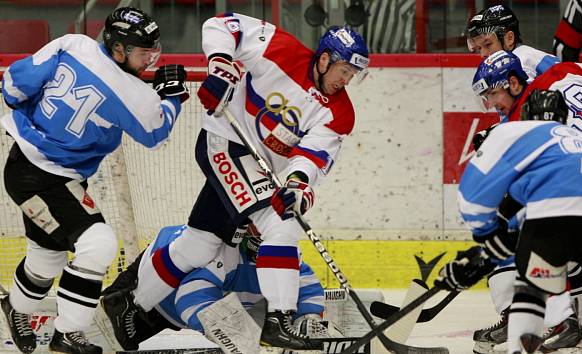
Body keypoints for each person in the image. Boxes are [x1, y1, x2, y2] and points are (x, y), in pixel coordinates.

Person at [100, 12, 369, 352]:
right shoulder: (281, 48)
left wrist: (298, 185)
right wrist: (221, 65)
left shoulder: (340, 113)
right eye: (345, 71)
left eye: (353, 75)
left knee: (199, 244)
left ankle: (130, 303)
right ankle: (280, 319)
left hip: (257, 167)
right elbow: (222, 25)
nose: (346, 80)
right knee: (280, 225)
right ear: (326, 59)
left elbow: (312, 156)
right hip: (225, 142)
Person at [0, 7, 188, 354]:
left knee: (47, 258)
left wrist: (17, 103)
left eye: (152, 49)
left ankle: (15, 307)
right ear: (118, 49)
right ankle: (68, 333)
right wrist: (172, 98)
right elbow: (156, 134)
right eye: (142, 51)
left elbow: (14, 83)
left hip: (27, 168)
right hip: (45, 178)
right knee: (98, 243)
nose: (150, 58)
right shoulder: (132, 92)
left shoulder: (72, 44)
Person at [435, 88, 582, 354]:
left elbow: (473, 200)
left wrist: (483, 243)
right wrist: (488, 252)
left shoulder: (515, 132)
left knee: (531, 297)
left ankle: (543, 330)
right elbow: (519, 213)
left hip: (556, 223)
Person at [464, 6, 580, 353]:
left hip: (569, 157)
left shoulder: (524, 60)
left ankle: (542, 313)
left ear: (509, 38)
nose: (483, 55)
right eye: (478, 49)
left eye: (487, 45)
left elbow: (545, 113)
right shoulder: (517, 67)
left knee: (514, 219)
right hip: (575, 154)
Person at [99, 223, 329, 351]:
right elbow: (190, 297)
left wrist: (309, 316)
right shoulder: (226, 252)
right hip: (162, 281)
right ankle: (115, 298)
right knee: (118, 333)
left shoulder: (286, 253)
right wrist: (231, 333)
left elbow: (305, 283)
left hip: (177, 264)